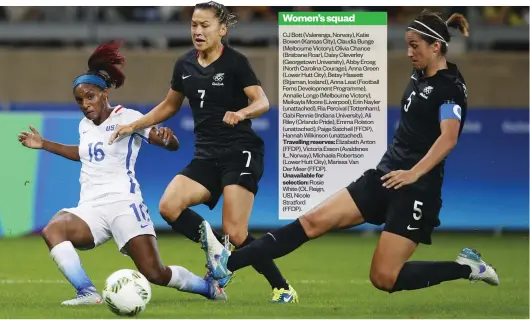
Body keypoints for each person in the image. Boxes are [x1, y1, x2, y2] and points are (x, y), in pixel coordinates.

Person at [199, 9, 501, 294]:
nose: (409, 53)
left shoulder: (450, 88)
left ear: (436, 47)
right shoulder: (421, 74)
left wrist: (414, 173)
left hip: (417, 189)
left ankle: (466, 268)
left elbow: (448, 138)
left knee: (384, 278)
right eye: (407, 45)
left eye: (415, 46)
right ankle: (226, 265)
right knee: (312, 221)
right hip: (384, 177)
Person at [108, 1, 298, 303]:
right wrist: (135, 125)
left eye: (205, 25)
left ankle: (283, 287)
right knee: (169, 206)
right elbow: (170, 106)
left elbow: (262, 101)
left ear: (222, 29)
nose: (198, 30)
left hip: (241, 151)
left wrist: (242, 113)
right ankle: (214, 247)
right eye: (194, 24)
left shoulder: (236, 62)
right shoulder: (184, 65)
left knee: (237, 232)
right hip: (207, 156)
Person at [18, 40, 227, 306]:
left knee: (155, 273)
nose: (85, 104)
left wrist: (167, 138)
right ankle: (87, 292)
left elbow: (170, 144)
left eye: (90, 96)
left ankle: (208, 288)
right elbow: (83, 153)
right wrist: (44, 144)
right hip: (91, 207)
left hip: (124, 205)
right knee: (53, 230)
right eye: (79, 100)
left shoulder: (128, 117)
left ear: (105, 94)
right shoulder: (85, 125)